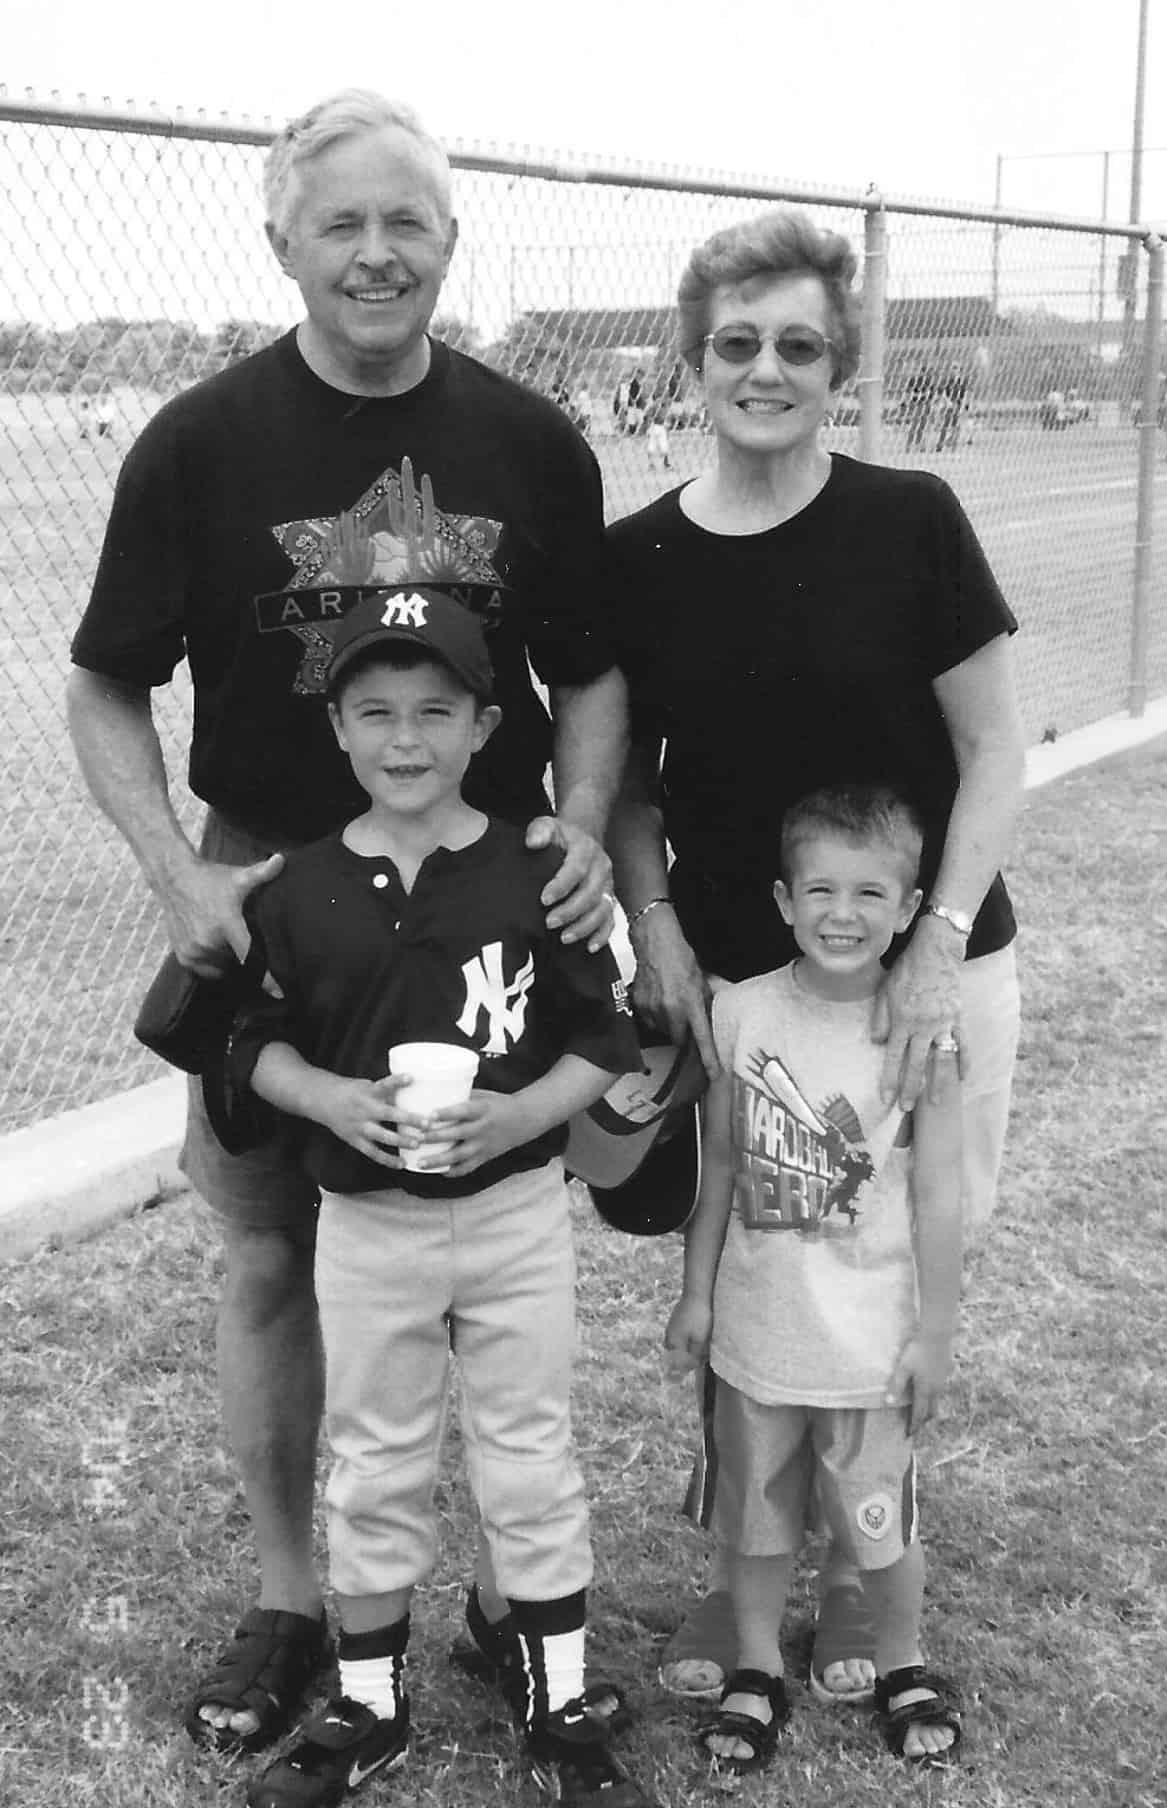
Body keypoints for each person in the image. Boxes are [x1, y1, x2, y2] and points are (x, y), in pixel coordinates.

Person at [66, 87, 627, 1756]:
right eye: (343, 223)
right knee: (267, 1255)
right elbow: (106, 681)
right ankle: (297, 1598)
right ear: (283, 242)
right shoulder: (199, 442)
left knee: (482, 1255)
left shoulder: (535, 443)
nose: (376, 252)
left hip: (479, 901)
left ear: (448, 238)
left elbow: (590, 671)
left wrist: (580, 832)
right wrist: (178, 870)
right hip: (271, 890)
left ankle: (509, 1596)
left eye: (407, 222)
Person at [606, 205, 1024, 1704]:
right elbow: (629, 786)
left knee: (886, 1261)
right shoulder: (639, 554)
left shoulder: (910, 520)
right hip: (742, 985)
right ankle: (744, 1589)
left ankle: (863, 1584)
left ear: (839, 364)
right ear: (691, 360)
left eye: (797, 344)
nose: (765, 369)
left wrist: (936, 943)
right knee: (756, 1271)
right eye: (736, 344)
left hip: (922, 975)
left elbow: (992, 753)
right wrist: (653, 924)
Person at [229, 590, 653, 1808]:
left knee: (528, 1449)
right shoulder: (298, 884)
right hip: (368, 1221)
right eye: (375, 712)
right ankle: (368, 1701)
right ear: (339, 731)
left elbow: (603, 1036)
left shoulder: (535, 870)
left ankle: (559, 1694)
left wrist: (521, 1115)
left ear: (482, 726)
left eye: (434, 711)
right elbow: (251, 1041)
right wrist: (326, 1097)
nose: (404, 738)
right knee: (374, 1457)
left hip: (516, 1212)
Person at [666, 785, 964, 1772]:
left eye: (871, 891)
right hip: (759, 1337)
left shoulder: (921, 1031)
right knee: (754, 1522)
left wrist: (934, 1331)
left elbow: (937, 1200)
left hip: (869, 1347)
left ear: (912, 906)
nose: (845, 912)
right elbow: (716, 1172)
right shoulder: (742, 1011)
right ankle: (756, 1665)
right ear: (784, 900)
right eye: (822, 889)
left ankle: (902, 1657)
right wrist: (697, 1292)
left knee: (881, 1521)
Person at [936, 362, 968, 452]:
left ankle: (953, 445)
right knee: (945, 425)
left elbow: (964, 393)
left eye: (956, 368)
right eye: (953, 368)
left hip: (958, 404)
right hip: (949, 405)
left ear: (959, 370)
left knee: (956, 426)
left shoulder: (962, 381)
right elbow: (943, 393)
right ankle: (940, 444)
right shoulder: (947, 381)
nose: (954, 370)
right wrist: (948, 402)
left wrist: (963, 405)